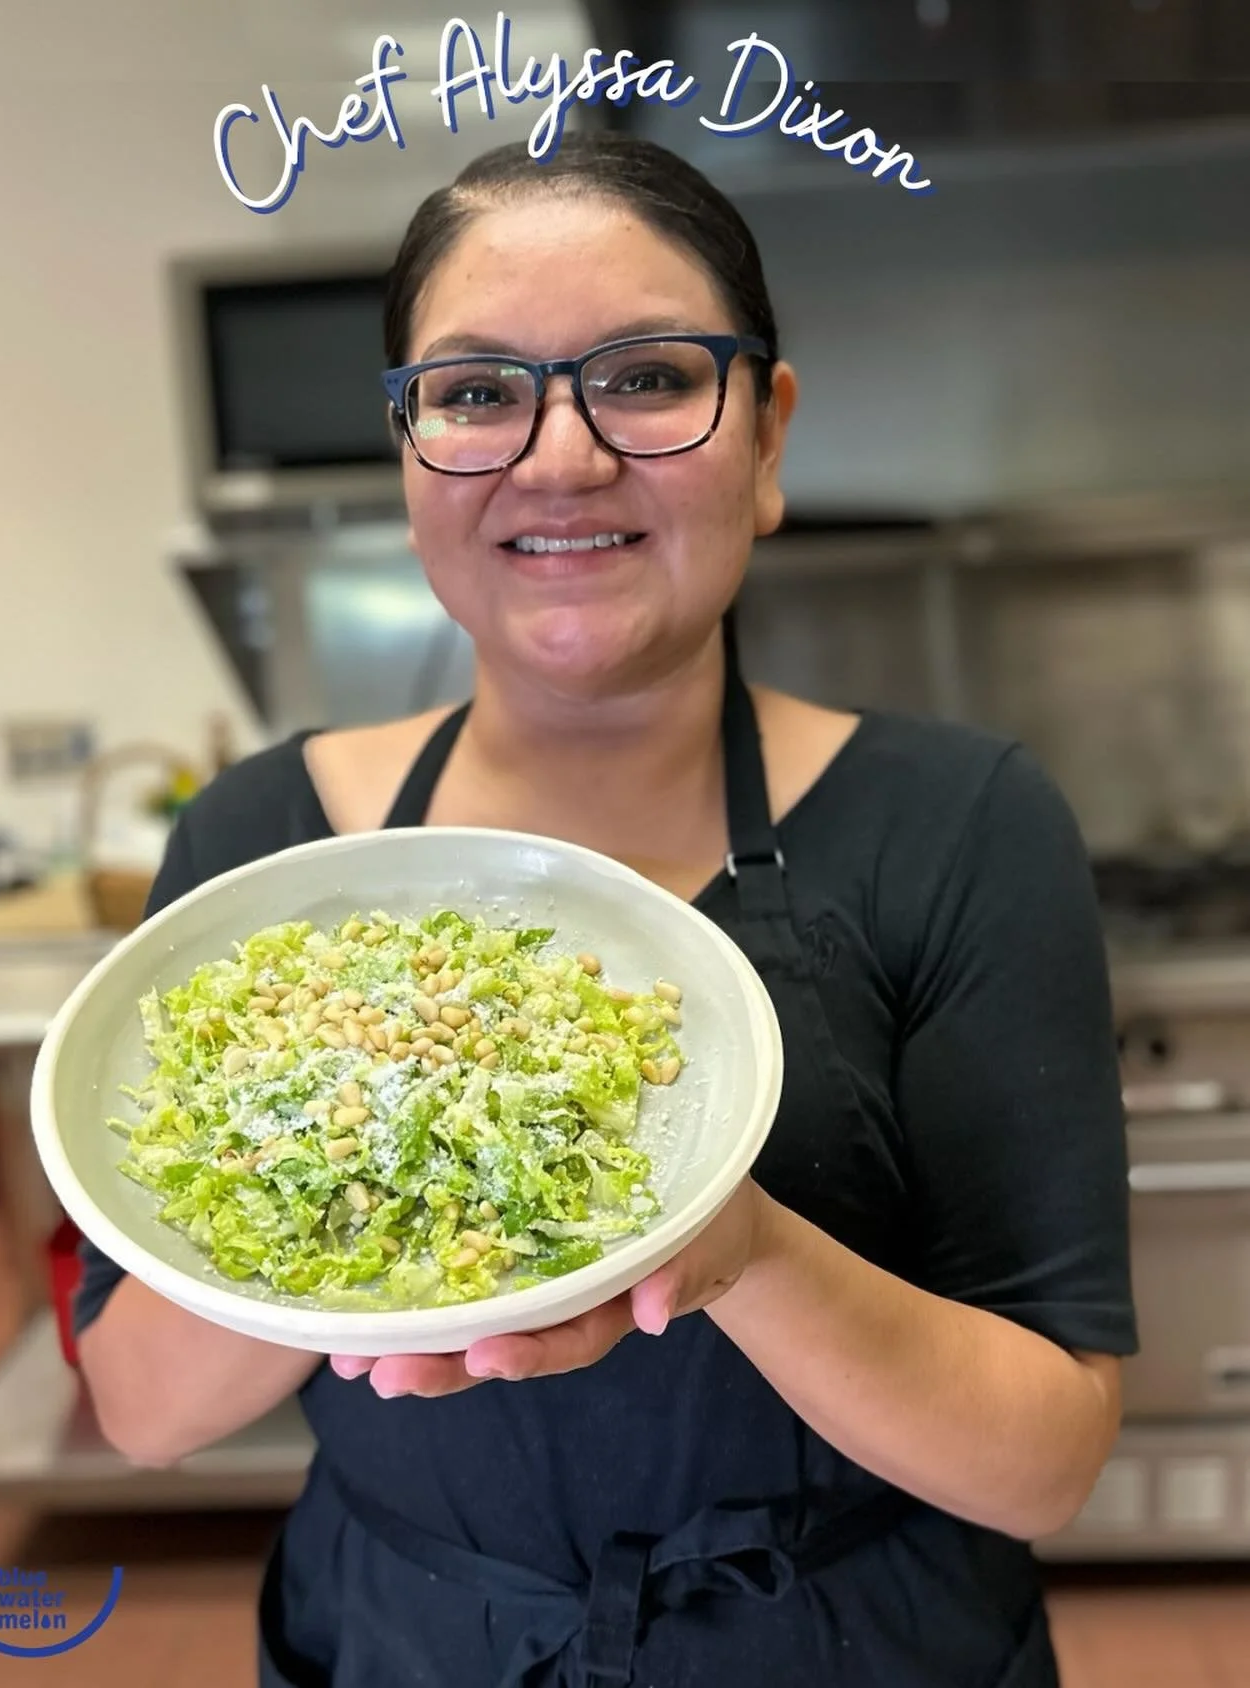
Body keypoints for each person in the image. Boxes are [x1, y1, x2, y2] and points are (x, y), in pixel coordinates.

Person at [73, 133, 1137, 1688]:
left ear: (765, 435)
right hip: (414, 1644)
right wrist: (348, 1184)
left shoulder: (957, 823)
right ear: (408, 452)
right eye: (476, 392)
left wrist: (733, 1248)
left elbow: (1043, 1461)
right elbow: (141, 1409)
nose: (557, 457)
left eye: (644, 376)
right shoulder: (264, 849)